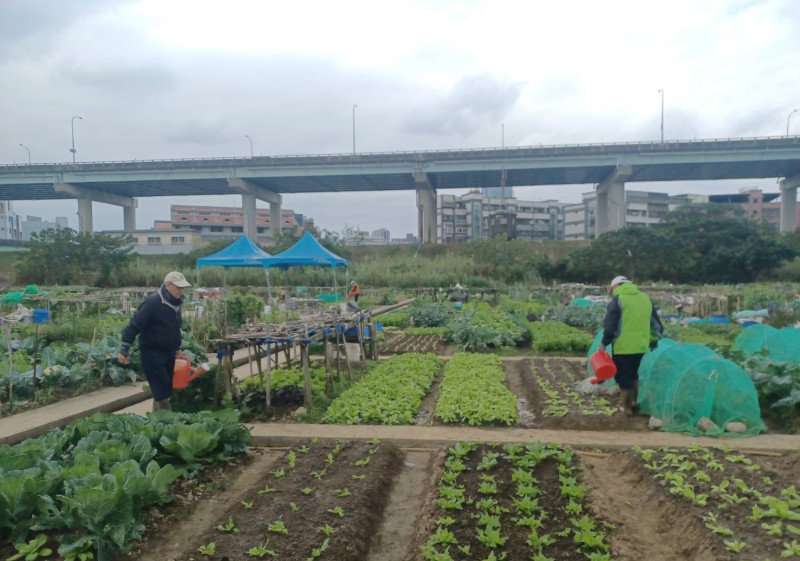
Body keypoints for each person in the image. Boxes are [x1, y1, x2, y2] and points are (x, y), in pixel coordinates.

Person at [117, 271, 191, 411]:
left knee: (166, 386)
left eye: (183, 288)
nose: (181, 291)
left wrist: (177, 348)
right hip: (152, 351)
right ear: (168, 285)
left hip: (168, 351)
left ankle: (156, 422)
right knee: (161, 386)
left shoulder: (176, 304)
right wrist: (124, 348)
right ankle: (167, 419)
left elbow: (175, 328)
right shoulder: (153, 302)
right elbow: (135, 324)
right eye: (178, 287)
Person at [599, 275, 662, 416]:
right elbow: (655, 323)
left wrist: (604, 342)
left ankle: (625, 408)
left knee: (623, 378)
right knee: (633, 375)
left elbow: (610, 325)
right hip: (640, 346)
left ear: (615, 287)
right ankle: (633, 402)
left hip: (623, 347)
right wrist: (653, 340)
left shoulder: (618, 300)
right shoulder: (645, 298)